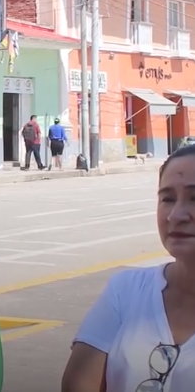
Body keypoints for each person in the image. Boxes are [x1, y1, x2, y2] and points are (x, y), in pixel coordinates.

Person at [61, 144, 195, 392]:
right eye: (167, 198)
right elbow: (79, 384)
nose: (175, 215)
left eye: (194, 198)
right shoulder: (126, 290)